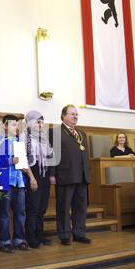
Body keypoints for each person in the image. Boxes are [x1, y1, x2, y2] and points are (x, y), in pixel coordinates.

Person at [50, 105, 91, 246]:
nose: (75, 117)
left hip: (82, 176)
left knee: (81, 207)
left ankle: (79, 233)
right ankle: (64, 235)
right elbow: (52, 155)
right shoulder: (55, 132)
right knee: (63, 207)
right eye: (72, 114)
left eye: (76, 114)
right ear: (63, 116)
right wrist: (52, 174)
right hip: (65, 175)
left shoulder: (82, 134)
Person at [0, 115, 29, 253]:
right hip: (5, 183)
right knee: (4, 213)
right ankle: (4, 241)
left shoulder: (19, 142)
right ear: (5, 126)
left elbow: (23, 163)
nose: (16, 127)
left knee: (20, 212)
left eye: (17, 125)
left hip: (19, 182)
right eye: (13, 125)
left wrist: (25, 168)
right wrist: (9, 161)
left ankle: (19, 239)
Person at [20, 111, 54, 249]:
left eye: (42, 122)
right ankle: (30, 237)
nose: (41, 125)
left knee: (42, 207)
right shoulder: (24, 136)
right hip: (32, 174)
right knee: (33, 208)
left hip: (44, 173)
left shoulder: (43, 137)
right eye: (38, 122)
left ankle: (40, 235)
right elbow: (23, 158)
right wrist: (32, 178)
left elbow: (51, 155)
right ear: (30, 123)